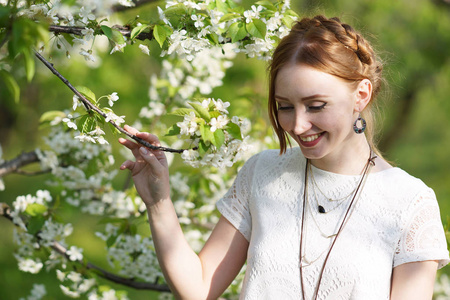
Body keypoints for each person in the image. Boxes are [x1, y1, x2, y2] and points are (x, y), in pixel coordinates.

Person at [119, 15, 449, 300]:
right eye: (285, 107)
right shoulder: (263, 173)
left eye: (316, 105)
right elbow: (199, 287)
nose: (298, 124)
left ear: (361, 95)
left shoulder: (409, 202)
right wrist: (158, 203)